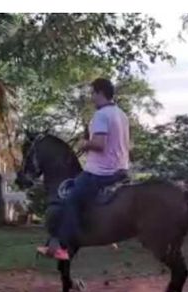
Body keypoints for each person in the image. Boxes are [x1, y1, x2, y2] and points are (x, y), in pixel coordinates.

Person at [37, 78, 130, 261]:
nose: (91, 97)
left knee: (69, 198)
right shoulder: (121, 114)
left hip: (100, 172)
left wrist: (84, 144)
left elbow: (100, 144)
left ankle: (62, 247)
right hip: (120, 169)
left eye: (92, 93)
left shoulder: (101, 115)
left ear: (100, 92)